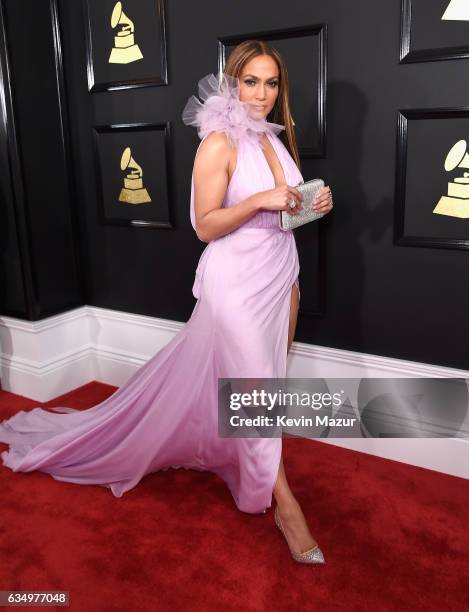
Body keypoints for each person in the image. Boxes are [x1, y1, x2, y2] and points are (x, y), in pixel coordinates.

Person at [0, 40, 333, 564]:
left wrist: (312, 203)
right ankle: (286, 507)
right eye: (251, 82)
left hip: (281, 278)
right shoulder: (218, 143)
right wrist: (257, 200)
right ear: (233, 82)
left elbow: (284, 213)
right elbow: (206, 226)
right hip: (236, 287)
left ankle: (249, 472)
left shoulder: (275, 139)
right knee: (253, 395)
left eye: (271, 84)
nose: (262, 95)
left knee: (264, 389)